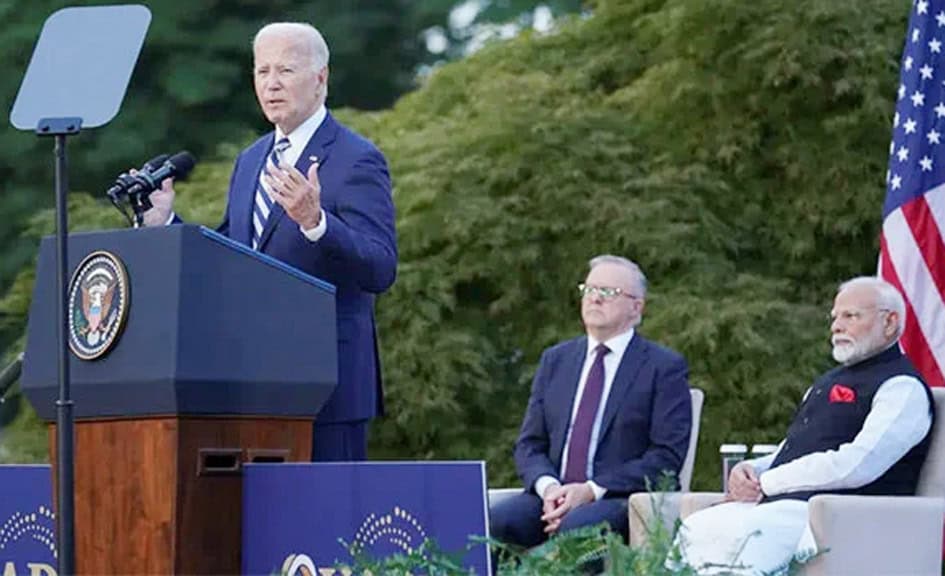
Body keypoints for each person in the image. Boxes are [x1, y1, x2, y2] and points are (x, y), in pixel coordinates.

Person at [143, 22, 397, 461]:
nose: (271, 84)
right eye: (262, 71)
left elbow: (380, 267)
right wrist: (166, 221)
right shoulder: (251, 159)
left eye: (286, 70)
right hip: (254, 382)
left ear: (320, 78)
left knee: (324, 505)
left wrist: (317, 222)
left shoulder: (357, 159)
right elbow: (228, 255)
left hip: (328, 389)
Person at [677, 276, 934, 575]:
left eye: (850, 316)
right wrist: (752, 470)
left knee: (753, 531)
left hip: (846, 515)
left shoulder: (902, 387)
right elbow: (794, 448)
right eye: (835, 317)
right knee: (698, 526)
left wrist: (769, 481)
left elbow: (858, 464)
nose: (837, 326)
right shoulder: (828, 381)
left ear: (889, 323)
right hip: (786, 506)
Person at [490, 255, 692, 548]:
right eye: (590, 289)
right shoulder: (556, 360)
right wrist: (550, 488)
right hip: (551, 497)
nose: (595, 298)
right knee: (491, 524)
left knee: (576, 528)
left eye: (608, 292)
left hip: (618, 498)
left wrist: (590, 490)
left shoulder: (663, 367)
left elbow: (666, 457)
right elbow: (530, 445)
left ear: (636, 307)